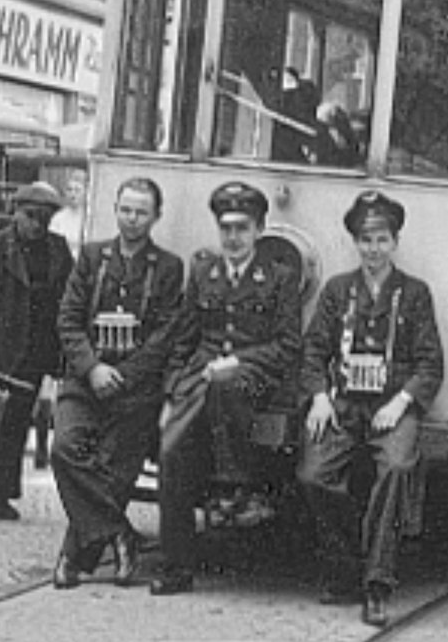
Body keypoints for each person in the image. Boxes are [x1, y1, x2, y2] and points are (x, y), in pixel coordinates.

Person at [297, 191, 444, 628]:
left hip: (390, 406)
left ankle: (377, 586)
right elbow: (313, 352)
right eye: (365, 240)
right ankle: (347, 564)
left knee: (397, 468)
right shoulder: (338, 290)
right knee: (312, 474)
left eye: (381, 240)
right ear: (355, 244)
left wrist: (401, 403)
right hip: (344, 402)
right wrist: (320, 397)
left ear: (394, 243)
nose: (373, 249)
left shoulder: (414, 294)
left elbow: (430, 363)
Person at [149, 181, 303, 596]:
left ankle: (237, 486)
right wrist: (171, 393)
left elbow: (288, 345)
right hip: (201, 379)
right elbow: (185, 339)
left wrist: (240, 363)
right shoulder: (203, 272)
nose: (233, 238)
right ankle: (175, 566)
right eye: (226, 229)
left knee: (227, 387)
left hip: (253, 380)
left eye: (242, 228)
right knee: (171, 453)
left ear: (259, 231)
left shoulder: (280, 279)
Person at [49, 177, 184, 590]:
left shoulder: (168, 268)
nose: (132, 220)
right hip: (85, 383)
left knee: (112, 469)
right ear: (115, 209)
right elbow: (68, 320)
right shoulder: (92, 258)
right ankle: (120, 533)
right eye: (126, 210)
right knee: (64, 450)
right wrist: (92, 368)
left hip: (135, 390)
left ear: (156, 217)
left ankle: (73, 557)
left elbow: (165, 335)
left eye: (141, 212)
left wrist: (125, 375)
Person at [0, 181, 73, 520]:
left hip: (39, 348)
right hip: (3, 347)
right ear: (16, 212)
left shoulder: (58, 248)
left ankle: (6, 488)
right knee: (0, 421)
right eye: (30, 216)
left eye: (44, 218)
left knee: (21, 418)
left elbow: (68, 298)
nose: (37, 225)